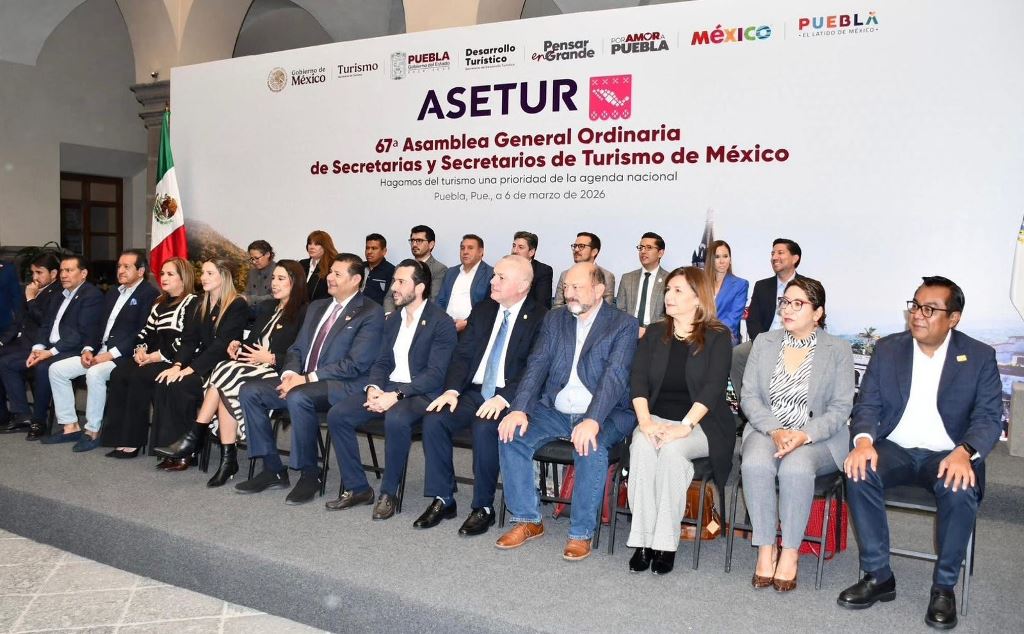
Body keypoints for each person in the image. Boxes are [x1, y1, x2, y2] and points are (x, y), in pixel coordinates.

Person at [838, 276, 1002, 630]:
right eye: (915, 305)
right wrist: (863, 442)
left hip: (948, 453)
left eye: (930, 309)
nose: (917, 314)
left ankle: (944, 587)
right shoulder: (889, 349)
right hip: (895, 447)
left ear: (953, 318)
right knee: (858, 470)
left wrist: (966, 451)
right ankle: (878, 575)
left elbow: (989, 418)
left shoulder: (978, 356)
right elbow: (868, 404)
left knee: (959, 486)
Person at [496, 262, 637, 561]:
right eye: (566, 287)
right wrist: (519, 409)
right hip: (557, 408)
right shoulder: (555, 318)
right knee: (511, 435)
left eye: (577, 287)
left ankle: (581, 533)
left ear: (599, 290)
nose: (569, 293)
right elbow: (537, 364)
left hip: (606, 412)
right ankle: (528, 520)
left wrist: (593, 419)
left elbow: (614, 377)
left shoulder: (623, 324)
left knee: (590, 446)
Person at [234, 253, 384, 505]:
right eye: (330, 272)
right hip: (303, 381)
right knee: (250, 391)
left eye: (337, 274)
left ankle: (309, 473)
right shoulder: (317, 307)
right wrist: (291, 374)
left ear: (356, 279)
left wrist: (305, 379)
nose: (330, 277)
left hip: (342, 385)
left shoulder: (370, 311)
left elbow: (354, 364)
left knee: (298, 396)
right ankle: (272, 469)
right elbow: (296, 349)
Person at [418, 255, 547, 535]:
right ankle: (443, 498)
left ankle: (483, 507)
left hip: (508, 397)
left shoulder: (540, 317)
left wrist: (505, 398)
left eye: (501, 277)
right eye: (493, 275)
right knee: (435, 418)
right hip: (474, 391)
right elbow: (462, 355)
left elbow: (534, 368)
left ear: (522, 285)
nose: (492, 281)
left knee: (486, 427)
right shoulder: (484, 309)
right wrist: (452, 390)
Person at [740, 277, 854, 592]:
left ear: (817, 312)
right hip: (768, 429)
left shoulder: (838, 349)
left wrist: (803, 435)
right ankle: (766, 548)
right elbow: (749, 397)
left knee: (796, 468)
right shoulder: (764, 342)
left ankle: (790, 551)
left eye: (797, 304)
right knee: (754, 464)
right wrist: (775, 430)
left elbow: (841, 408)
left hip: (817, 437)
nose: (787, 309)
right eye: (785, 302)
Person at [156, 260, 308, 487]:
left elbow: (304, 353)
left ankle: (197, 436)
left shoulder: (305, 312)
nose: (274, 284)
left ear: (295, 282)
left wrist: (272, 358)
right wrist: (237, 347)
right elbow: (251, 342)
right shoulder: (268, 307)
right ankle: (226, 458)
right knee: (225, 379)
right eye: (273, 278)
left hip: (279, 372)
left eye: (280, 279)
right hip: (252, 368)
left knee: (223, 372)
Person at [326, 259, 457, 520]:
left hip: (421, 392)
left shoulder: (441, 322)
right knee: (338, 415)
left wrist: (395, 396)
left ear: (419, 287)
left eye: (400, 282)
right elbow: (382, 361)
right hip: (388, 388)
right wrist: (374, 388)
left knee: (396, 418)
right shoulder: (393, 319)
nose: (393, 287)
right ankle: (358, 488)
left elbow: (435, 374)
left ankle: (388, 492)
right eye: (394, 280)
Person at [626, 267, 734, 575]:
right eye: (668, 290)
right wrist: (645, 422)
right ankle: (643, 540)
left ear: (698, 298)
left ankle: (665, 544)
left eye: (677, 291)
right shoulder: (654, 333)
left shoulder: (718, 336)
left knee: (672, 453)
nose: (669, 296)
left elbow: (713, 388)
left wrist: (683, 427)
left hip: (701, 423)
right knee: (642, 448)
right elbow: (638, 380)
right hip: (655, 417)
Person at [44, 249, 158, 451]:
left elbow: (142, 333)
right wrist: (88, 349)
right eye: (119, 266)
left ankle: (92, 431)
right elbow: (98, 326)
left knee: (95, 373)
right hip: (100, 351)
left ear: (140, 271)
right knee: (57, 369)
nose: (120, 271)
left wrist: (110, 355)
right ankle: (70, 427)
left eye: (127, 267)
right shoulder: (113, 292)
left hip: (124, 356)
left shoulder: (149, 294)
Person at [149, 259, 247, 469]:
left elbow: (221, 346)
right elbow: (189, 340)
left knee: (182, 385)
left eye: (210, 273)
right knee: (166, 380)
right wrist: (177, 366)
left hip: (221, 368)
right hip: (200, 362)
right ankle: (169, 447)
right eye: (203, 273)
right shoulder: (200, 302)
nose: (203, 277)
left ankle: (188, 451)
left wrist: (190, 370)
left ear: (224, 277)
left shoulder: (236, 304)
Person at [100, 257, 197, 458]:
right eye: (162, 274)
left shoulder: (192, 302)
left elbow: (188, 339)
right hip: (152, 356)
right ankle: (118, 437)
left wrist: (158, 356)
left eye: (170, 274)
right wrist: (140, 350)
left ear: (183, 278)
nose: (164, 278)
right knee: (120, 373)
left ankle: (132, 441)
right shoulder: (159, 302)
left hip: (175, 360)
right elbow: (145, 332)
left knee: (139, 377)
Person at [0, 254, 103, 440]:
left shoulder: (91, 295)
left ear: (83, 274)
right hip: (50, 346)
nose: (64, 275)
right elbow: (46, 325)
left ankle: (39, 421)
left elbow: (77, 334)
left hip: (73, 349)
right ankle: (22, 415)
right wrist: (38, 348)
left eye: (69, 270)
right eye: (63, 270)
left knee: (43, 367)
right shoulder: (62, 294)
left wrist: (49, 352)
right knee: (7, 363)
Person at [0, 252, 61, 433]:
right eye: (33, 272)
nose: (35, 277)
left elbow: (46, 323)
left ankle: (22, 415)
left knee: (6, 363)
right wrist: (2, 342)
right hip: (23, 342)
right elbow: (18, 322)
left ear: (53, 273)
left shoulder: (58, 293)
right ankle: (4, 414)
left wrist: (31, 299)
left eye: (39, 272)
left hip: (42, 346)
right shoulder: (34, 290)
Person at [746, 238, 804, 341]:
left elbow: (813, 323)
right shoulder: (761, 286)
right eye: (772, 254)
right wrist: (762, 343)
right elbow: (753, 321)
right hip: (764, 342)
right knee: (738, 351)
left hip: (796, 343)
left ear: (795, 259)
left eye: (780, 253)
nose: (774, 257)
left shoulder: (807, 287)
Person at [436, 234, 494, 333]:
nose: (465, 252)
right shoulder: (451, 272)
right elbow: (440, 300)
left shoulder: (490, 274)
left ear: (481, 252)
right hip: (446, 327)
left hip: (472, 328)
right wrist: (443, 321)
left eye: (470, 248)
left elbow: (489, 307)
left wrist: (467, 322)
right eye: (462, 248)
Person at [617, 232, 669, 337]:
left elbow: (669, 314)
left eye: (649, 248)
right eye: (641, 247)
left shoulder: (669, 279)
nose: (643, 251)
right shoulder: (627, 278)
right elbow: (620, 310)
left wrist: (649, 331)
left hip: (656, 335)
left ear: (660, 253)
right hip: (628, 332)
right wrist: (633, 328)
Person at [384, 225, 447, 312]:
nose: (414, 244)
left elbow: (433, 300)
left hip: (422, 316)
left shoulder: (439, 269)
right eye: (412, 240)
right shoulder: (401, 267)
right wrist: (389, 314)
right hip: (397, 315)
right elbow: (389, 297)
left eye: (419, 241)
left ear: (431, 244)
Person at [553, 232, 615, 307]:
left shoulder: (607, 276)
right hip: (567, 314)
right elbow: (557, 306)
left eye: (581, 246)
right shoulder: (565, 274)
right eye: (575, 246)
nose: (576, 249)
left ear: (594, 252)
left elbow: (606, 309)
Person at [709, 240, 749, 345]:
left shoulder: (740, 284)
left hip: (726, 338)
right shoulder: (702, 284)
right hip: (701, 337)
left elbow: (733, 319)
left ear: (730, 259)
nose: (722, 261)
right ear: (711, 260)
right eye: (717, 257)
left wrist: (710, 333)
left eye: (725, 256)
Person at [511, 230, 553, 309]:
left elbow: (542, 305)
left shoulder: (543, 271)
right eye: (514, 246)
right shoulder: (504, 268)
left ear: (531, 252)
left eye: (520, 247)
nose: (514, 251)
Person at [300, 230, 338, 302]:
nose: (311, 247)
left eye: (316, 244)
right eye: (309, 243)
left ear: (325, 246)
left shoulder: (331, 266)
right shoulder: (302, 264)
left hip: (321, 306)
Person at [362, 233, 394, 307]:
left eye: (374, 248)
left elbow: (390, 299)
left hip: (377, 311)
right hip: (355, 310)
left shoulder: (391, 271)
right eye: (367, 248)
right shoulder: (359, 267)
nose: (369, 252)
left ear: (384, 251)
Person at [243, 240, 276, 307]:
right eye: (252, 259)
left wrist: (251, 299)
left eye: (257, 258)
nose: (254, 262)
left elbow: (275, 297)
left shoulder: (278, 271)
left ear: (267, 254)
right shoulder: (252, 272)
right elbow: (247, 292)